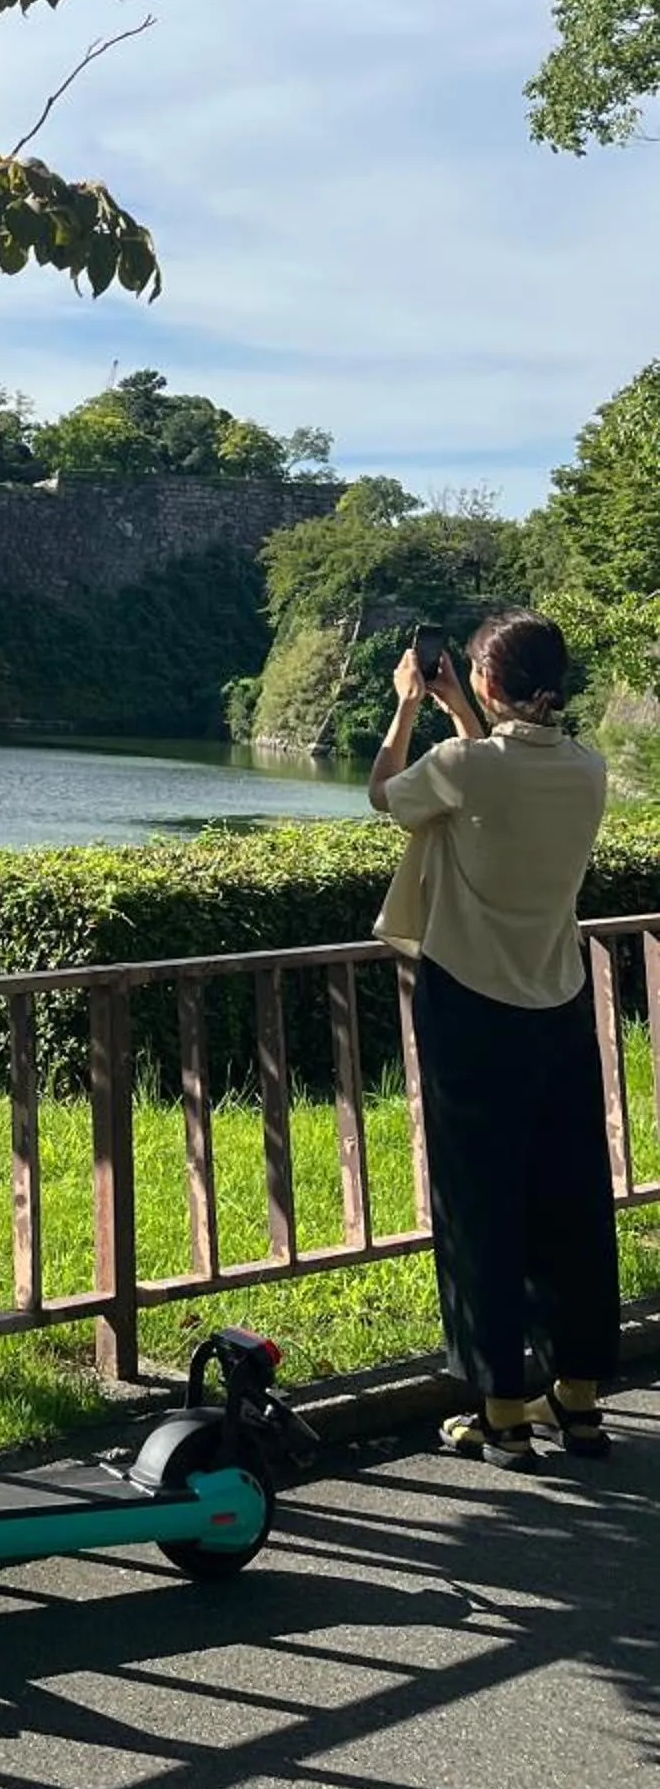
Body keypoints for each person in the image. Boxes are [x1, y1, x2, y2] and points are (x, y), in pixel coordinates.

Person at [368, 610, 618, 1467]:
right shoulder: (589, 770)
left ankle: (503, 1409)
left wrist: (408, 704)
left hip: (471, 1005)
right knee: (569, 1198)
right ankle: (577, 1400)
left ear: (484, 680)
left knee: (480, 1205)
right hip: (558, 1001)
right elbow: (501, 771)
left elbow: (387, 796)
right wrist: (464, 713)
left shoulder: (460, 765)